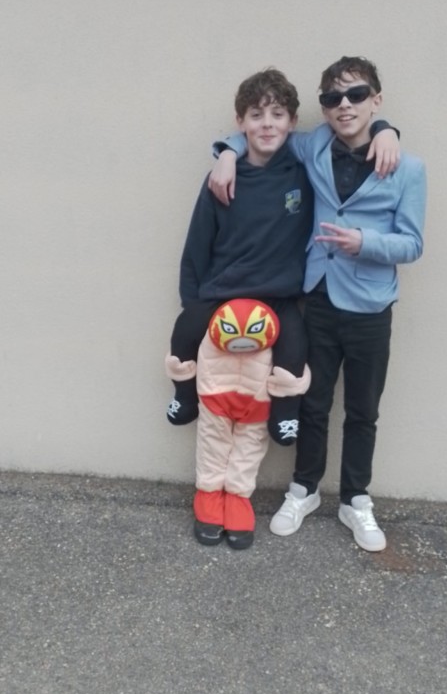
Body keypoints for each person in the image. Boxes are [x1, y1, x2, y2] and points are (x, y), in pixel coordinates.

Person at [208, 55, 426, 551]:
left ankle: (356, 500)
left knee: (363, 410)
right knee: (312, 402)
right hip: (319, 298)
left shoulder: (408, 167)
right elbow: (265, 135)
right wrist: (225, 153)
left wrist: (366, 242)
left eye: (356, 94)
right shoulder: (315, 145)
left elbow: (413, 244)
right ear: (324, 108)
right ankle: (303, 489)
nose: (344, 105)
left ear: (376, 100)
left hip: (370, 307)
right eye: (332, 98)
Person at [165, 68, 314, 448]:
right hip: (223, 292)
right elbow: (197, 244)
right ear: (240, 121)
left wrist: (385, 132)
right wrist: (192, 300)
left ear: (293, 121)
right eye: (256, 115)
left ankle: (285, 413)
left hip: (278, 296)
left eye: (277, 114)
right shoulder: (220, 178)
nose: (267, 124)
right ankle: (185, 396)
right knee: (184, 330)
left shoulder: (305, 175)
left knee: (295, 345)